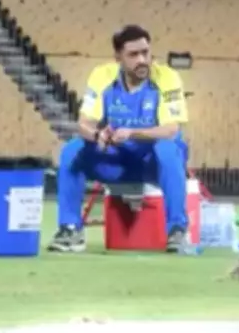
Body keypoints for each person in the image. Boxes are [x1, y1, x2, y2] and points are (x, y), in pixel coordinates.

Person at [48, 25, 190, 253]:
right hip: (116, 162)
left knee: (168, 148)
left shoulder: (167, 77)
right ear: (118, 58)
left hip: (152, 164)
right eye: (133, 54)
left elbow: (171, 129)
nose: (142, 60)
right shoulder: (102, 76)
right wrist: (98, 135)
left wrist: (132, 133)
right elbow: (83, 123)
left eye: (145, 52)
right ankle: (70, 229)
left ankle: (177, 231)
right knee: (72, 149)